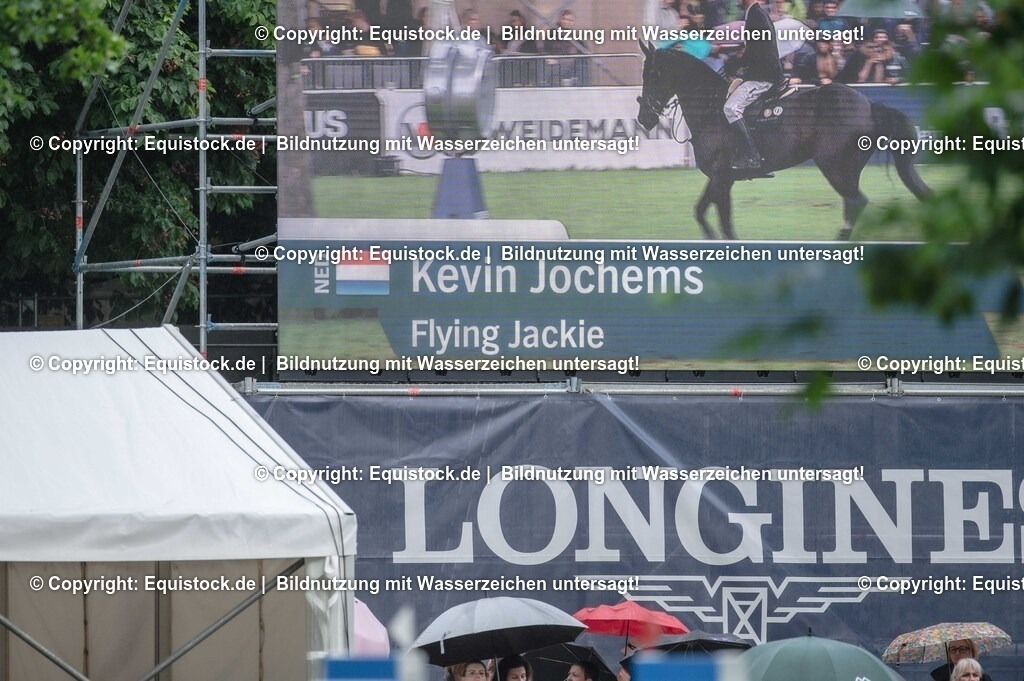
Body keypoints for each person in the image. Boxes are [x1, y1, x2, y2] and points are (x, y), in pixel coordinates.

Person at [722, 0, 786, 175]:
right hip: (763, 73)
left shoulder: (756, 16)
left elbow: (758, 52)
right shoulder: (756, 14)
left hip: (762, 77)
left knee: (731, 109)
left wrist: (741, 72)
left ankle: (752, 155)